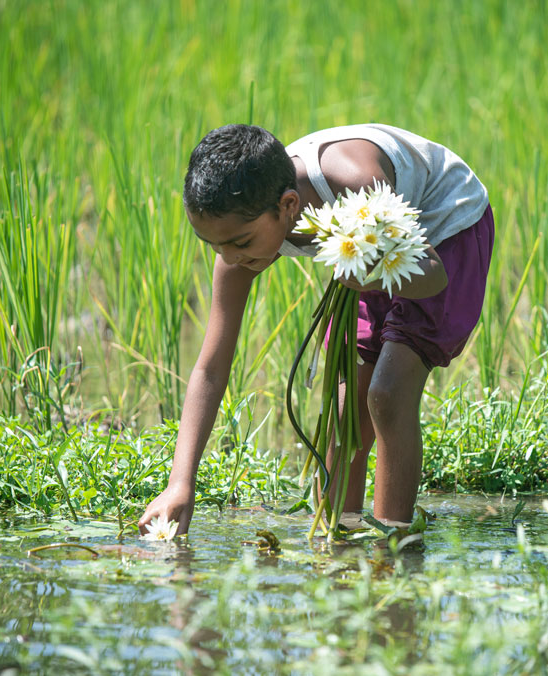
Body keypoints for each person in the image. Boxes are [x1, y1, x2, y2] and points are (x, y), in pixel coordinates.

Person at [137, 123, 494, 535]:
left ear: (289, 206)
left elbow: (433, 277)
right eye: (212, 245)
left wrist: (372, 277)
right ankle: (338, 541)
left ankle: (393, 546)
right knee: (344, 414)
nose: (229, 259)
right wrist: (180, 484)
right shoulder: (240, 234)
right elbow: (210, 369)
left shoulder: (356, 187)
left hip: (444, 227)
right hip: (370, 252)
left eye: (239, 243)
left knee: (387, 393)